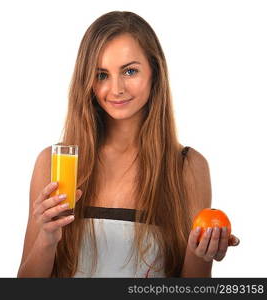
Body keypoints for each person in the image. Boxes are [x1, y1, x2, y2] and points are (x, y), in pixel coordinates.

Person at [17, 11, 240, 278]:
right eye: (101, 75)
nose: (116, 89)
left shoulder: (187, 167)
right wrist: (47, 238)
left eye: (130, 71)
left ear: (154, 72)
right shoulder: (55, 163)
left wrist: (200, 254)